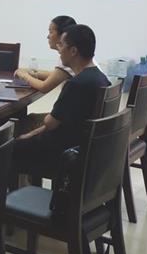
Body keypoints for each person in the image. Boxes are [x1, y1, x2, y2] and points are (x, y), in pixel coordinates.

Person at [12, 24, 110, 178]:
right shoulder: (101, 78)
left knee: (4, 149)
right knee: (23, 138)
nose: (59, 50)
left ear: (73, 51)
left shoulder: (76, 84)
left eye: (62, 45)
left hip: (62, 151)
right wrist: (32, 133)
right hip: (82, 146)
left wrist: (30, 134)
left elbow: (50, 122)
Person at [14, 15, 77, 93]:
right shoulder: (72, 54)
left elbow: (44, 87)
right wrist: (31, 72)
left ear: (63, 35)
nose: (48, 36)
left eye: (51, 32)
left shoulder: (69, 57)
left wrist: (24, 76)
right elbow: (55, 75)